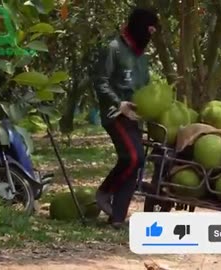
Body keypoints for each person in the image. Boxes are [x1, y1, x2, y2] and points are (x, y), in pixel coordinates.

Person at [92, 8, 159, 229]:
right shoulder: (114, 49)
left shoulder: (142, 57)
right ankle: (104, 192)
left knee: (136, 163)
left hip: (135, 116)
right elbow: (100, 81)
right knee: (133, 157)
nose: (150, 37)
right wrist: (118, 103)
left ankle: (118, 218)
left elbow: (145, 87)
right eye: (148, 30)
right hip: (116, 113)